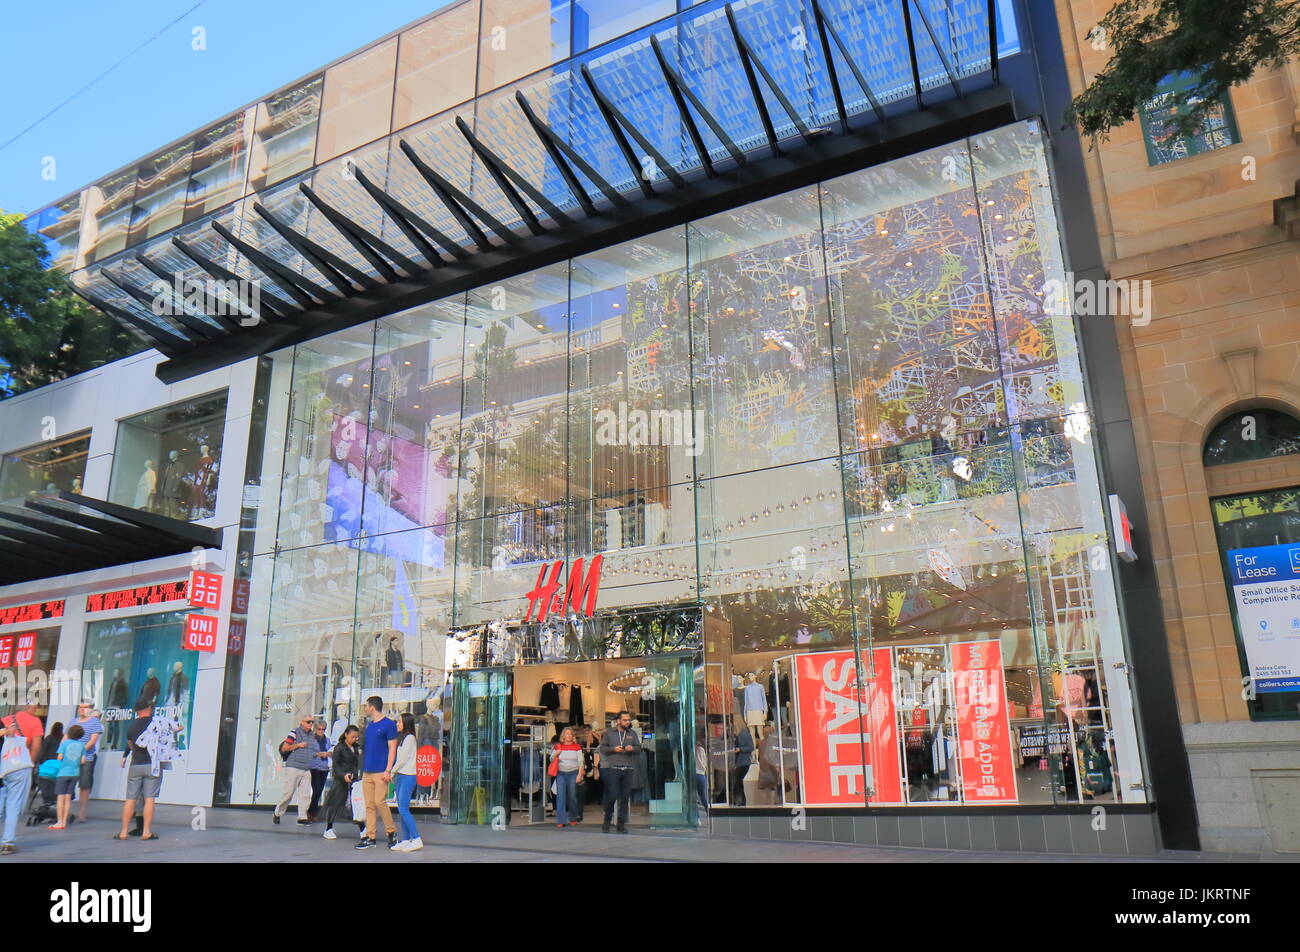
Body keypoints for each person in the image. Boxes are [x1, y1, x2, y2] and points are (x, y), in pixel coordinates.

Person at [355, 696, 398, 850]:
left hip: (381, 771)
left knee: (380, 802)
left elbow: (392, 748)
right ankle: (370, 836)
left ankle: (391, 832)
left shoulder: (388, 724)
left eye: (366, 706)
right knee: (369, 805)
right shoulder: (370, 726)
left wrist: (388, 770)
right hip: (368, 770)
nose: (365, 709)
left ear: (372, 707)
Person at [115, 702, 161, 841]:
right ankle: (146, 831)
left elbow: (130, 745)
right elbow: (177, 728)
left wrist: (125, 756)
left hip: (136, 764)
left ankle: (123, 832)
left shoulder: (131, 727)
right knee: (149, 799)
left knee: (130, 799)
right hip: (152, 764)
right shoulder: (157, 723)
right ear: (149, 709)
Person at [598, 711, 641, 833]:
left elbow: (639, 748)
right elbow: (603, 748)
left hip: (628, 768)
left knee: (625, 797)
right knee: (612, 795)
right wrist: (613, 749)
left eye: (629, 720)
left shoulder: (632, 733)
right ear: (618, 721)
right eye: (625, 720)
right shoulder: (609, 733)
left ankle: (621, 825)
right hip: (613, 769)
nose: (628, 722)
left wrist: (632, 748)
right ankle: (607, 821)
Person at [274, 714, 318, 826]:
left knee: (306, 794)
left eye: (312, 722)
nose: (311, 724)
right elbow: (284, 748)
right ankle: (278, 813)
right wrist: (298, 745)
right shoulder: (294, 732)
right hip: (294, 766)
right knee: (288, 793)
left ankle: (302, 817)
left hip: (306, 768)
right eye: (308, 722)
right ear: (302, 722)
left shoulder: (312, 736)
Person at [322, 726, 364, 840]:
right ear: (346, 734)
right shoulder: (339, 747)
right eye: (352, 737)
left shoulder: (356, 747)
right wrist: (343, 775)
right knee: (335, 804)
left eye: (356, 737)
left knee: (356, 803)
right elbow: (336, 765)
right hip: (341, 780)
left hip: (353, 779)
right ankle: (328, 828)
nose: (354, 739)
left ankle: (362, 828)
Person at [0, 719, 34, 854]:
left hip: (3, 772)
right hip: (16, 769)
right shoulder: (10, 728)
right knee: (14, 806)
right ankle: (8, 843)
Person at [391, 712, 422, 851]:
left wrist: (391, 771)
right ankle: (405, 839)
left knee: (403, 809)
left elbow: (402, 759)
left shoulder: (409, 738)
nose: (397, 724)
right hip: (401, 775)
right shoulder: (403, 738)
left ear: (406, 723)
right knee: (402, 809)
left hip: (408, 776)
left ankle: (416, 838)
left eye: (399, 722)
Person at [50, 724, 86, 830]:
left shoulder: (65, 743)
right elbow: (83, 760)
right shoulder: (82, 745)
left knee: (60, 798)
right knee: (68, 798)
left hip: (63, 773)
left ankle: (59, 821)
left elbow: (59, 757)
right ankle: (65, 821)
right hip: (74, 773)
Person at [74, 702, 104, 823]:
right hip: (75, 755)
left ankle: (82, 812)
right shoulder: (75, 721)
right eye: (80, 707)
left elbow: (93, 740)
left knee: (85, 782)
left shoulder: (97, 725)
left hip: (89, 754)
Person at [550, 726, 585, 828]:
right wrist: (556, 753)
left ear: (572, 736)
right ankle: (561, 820)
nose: (569, 736)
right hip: (561, 773)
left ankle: (573, 818)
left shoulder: (577, 747)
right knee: (560, 797)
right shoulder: (558, 746)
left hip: (573, 773)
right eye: (567, 734)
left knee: (572, 796)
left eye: (570, 734)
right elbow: (551, 759)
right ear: (563, 736)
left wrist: (580, 774)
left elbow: (580, 762)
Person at [307, 719, 331, 821]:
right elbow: (308, 752)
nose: (321, 731)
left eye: (323, 729)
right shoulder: (311, 740)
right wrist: (318, 754)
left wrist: (329, 753)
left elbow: (330, 750)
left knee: (320, 790)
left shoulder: (327, 740)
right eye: (319, 729)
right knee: (316, 789)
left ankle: (312, 812)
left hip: (324, 767)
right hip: (314, 767)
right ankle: (312, 812)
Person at [731, 714, 754, 807]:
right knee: (738, 781)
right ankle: (740, 801)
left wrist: (740, 749)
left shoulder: (744, 734)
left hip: (744, 762)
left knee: (738, 781)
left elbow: (751, 747)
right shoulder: (737, 734)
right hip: (740, 762)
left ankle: (741, 801)